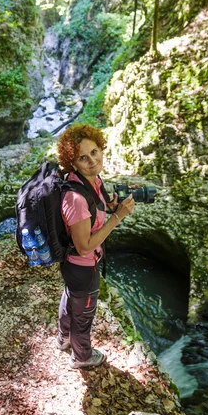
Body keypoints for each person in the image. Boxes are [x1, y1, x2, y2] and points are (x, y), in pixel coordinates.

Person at [56, 123, 135, 369]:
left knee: (71, 297)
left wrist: (109, 207)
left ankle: (62, 339)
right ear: (72, 163)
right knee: (84, 314)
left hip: (74, 269)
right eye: (82, 157)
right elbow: (84, 246)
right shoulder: (76, 198)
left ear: (101, 148)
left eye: (94, 152)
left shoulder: (90, 180)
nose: (92, 160)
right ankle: (81, 357)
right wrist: (117, 217)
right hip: (82, 267)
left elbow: (94, 211)